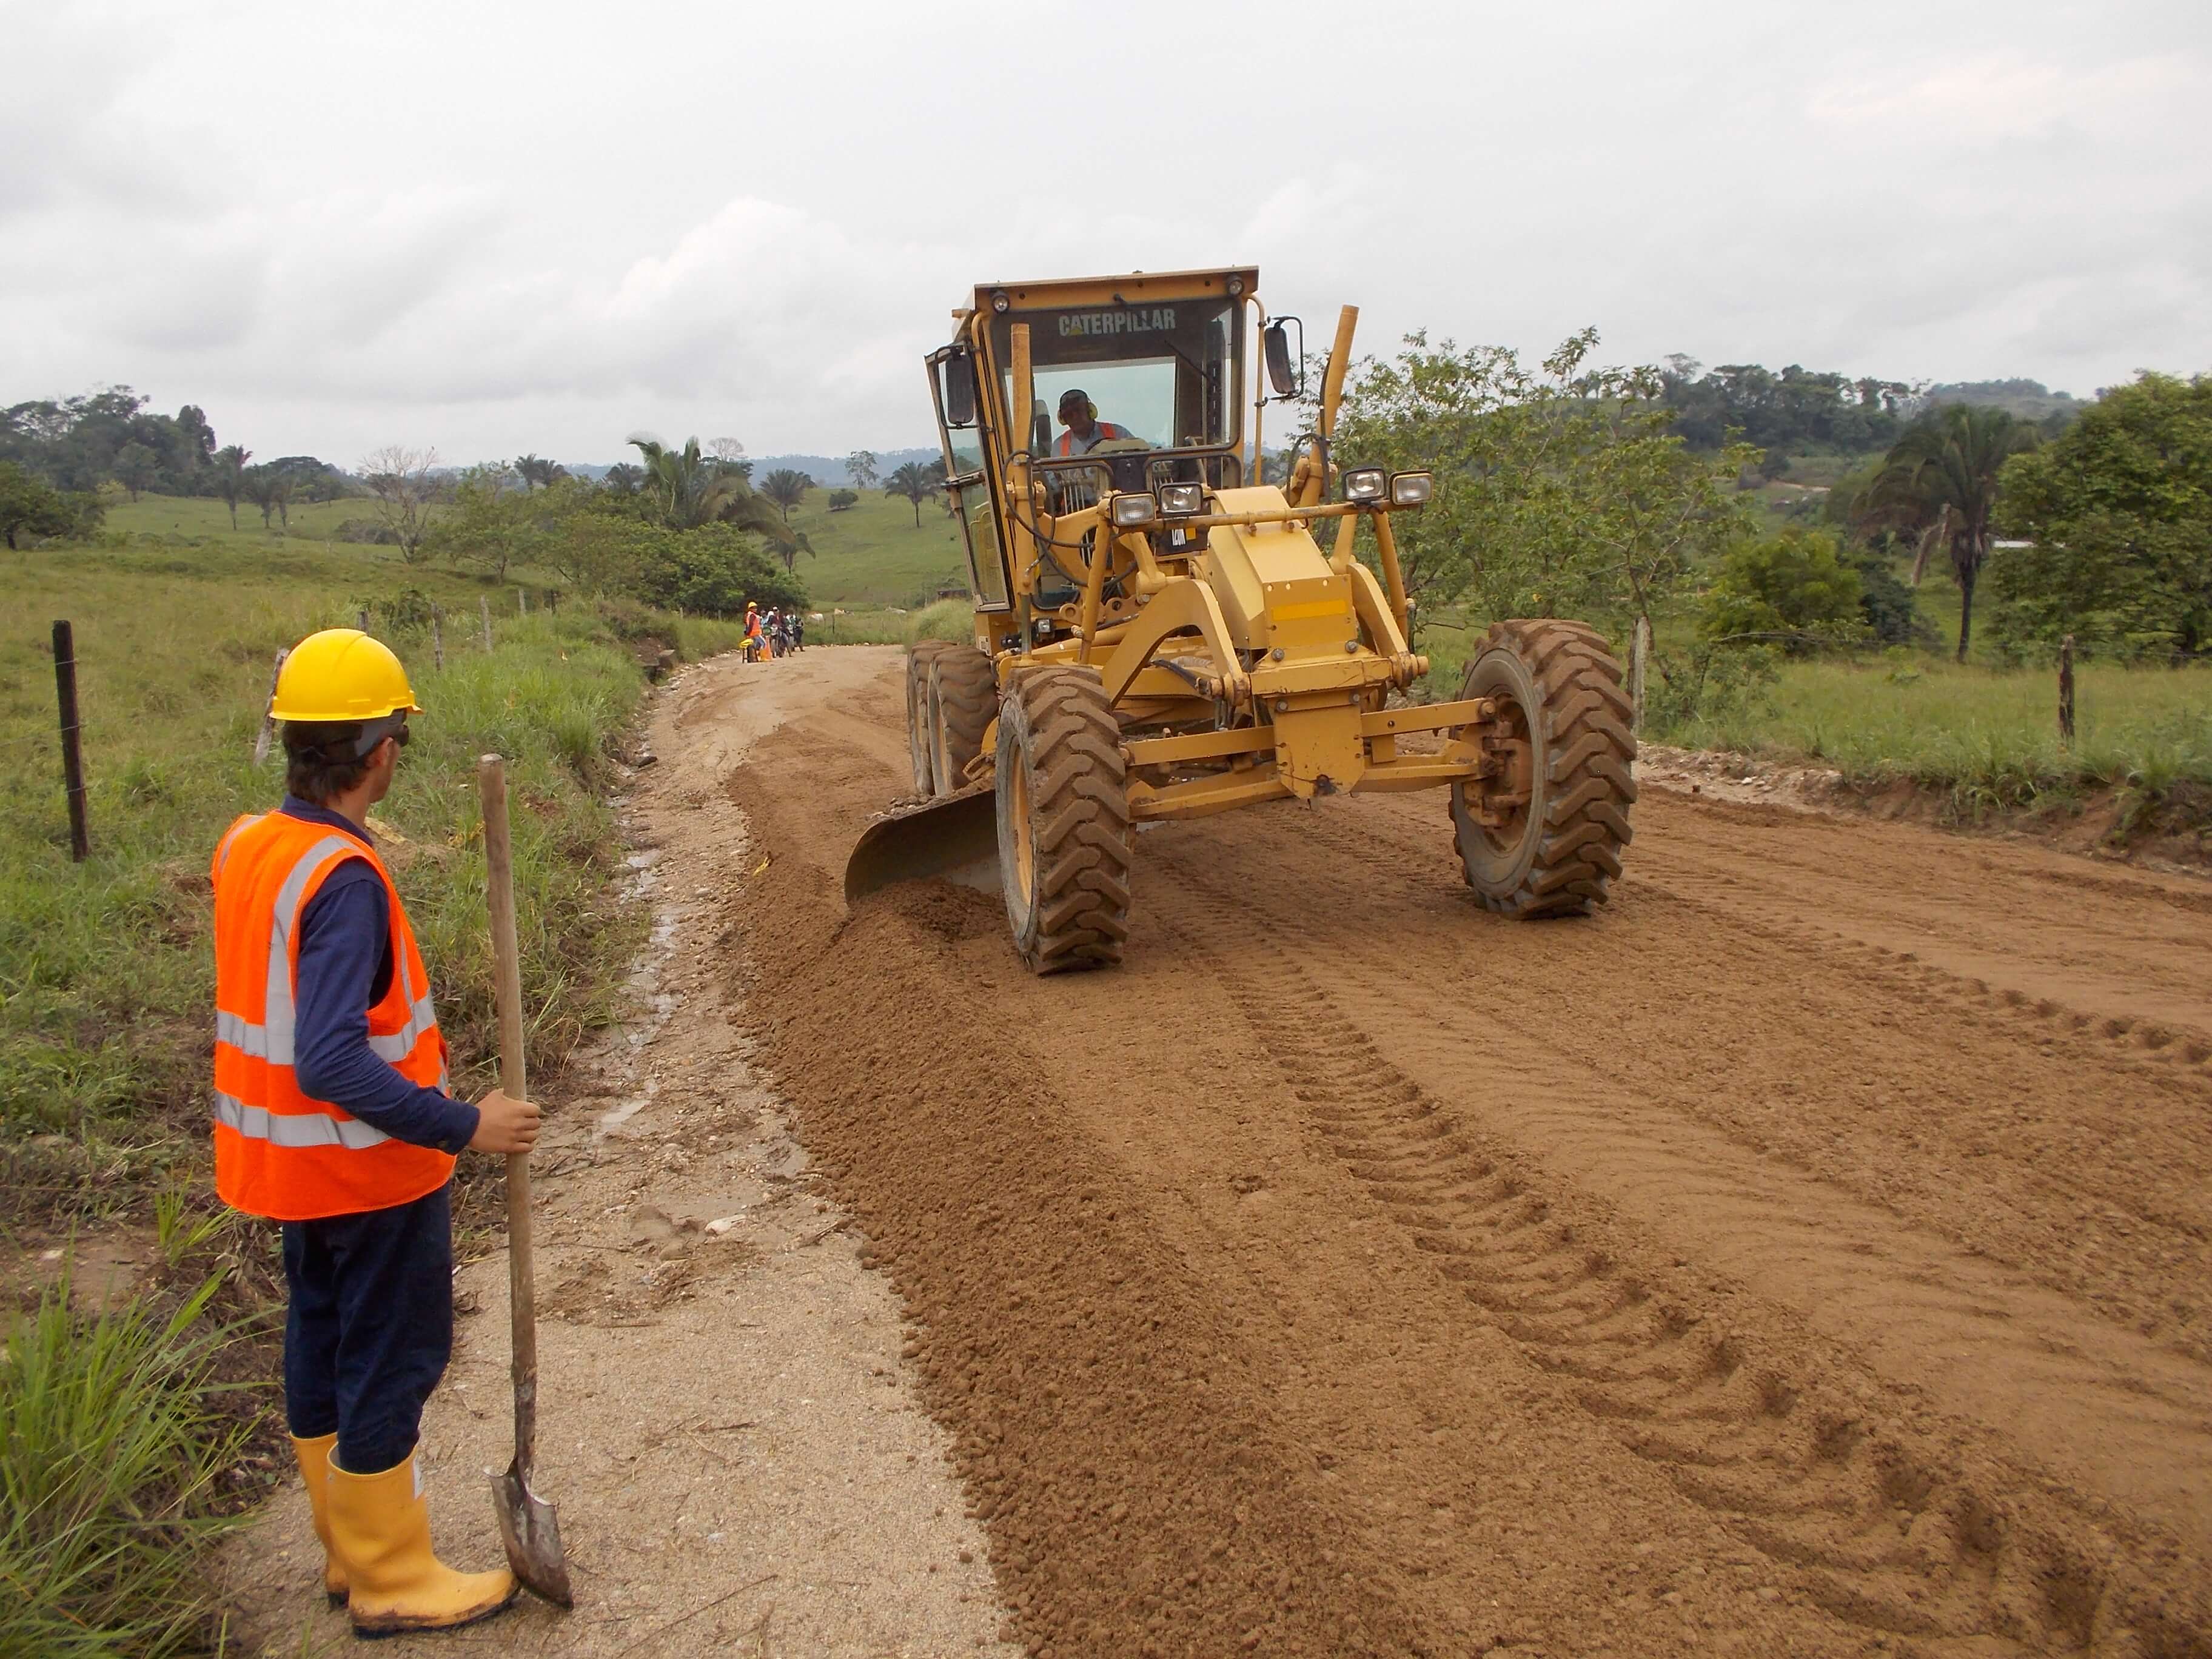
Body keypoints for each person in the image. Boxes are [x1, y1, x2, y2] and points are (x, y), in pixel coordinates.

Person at [212, 628, 539, 1638]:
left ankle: (347, 1556)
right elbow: (333, 1060)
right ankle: (392, 1574)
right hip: (366, 1176)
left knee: (322, 1347)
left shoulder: (251, 845)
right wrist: (463, 1126)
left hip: (284, 1170)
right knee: (393, 1359)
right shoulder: (345, 879)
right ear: (385, 747)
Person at [1053, 388, 1135, 456]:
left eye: (1078, 411)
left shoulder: (1119, 434)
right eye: (1069, 415)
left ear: (1090, 411)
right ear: (1063, 420)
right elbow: (1051, 475)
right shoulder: (1059, 446)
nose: (1075, 417)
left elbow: (1141, 459)